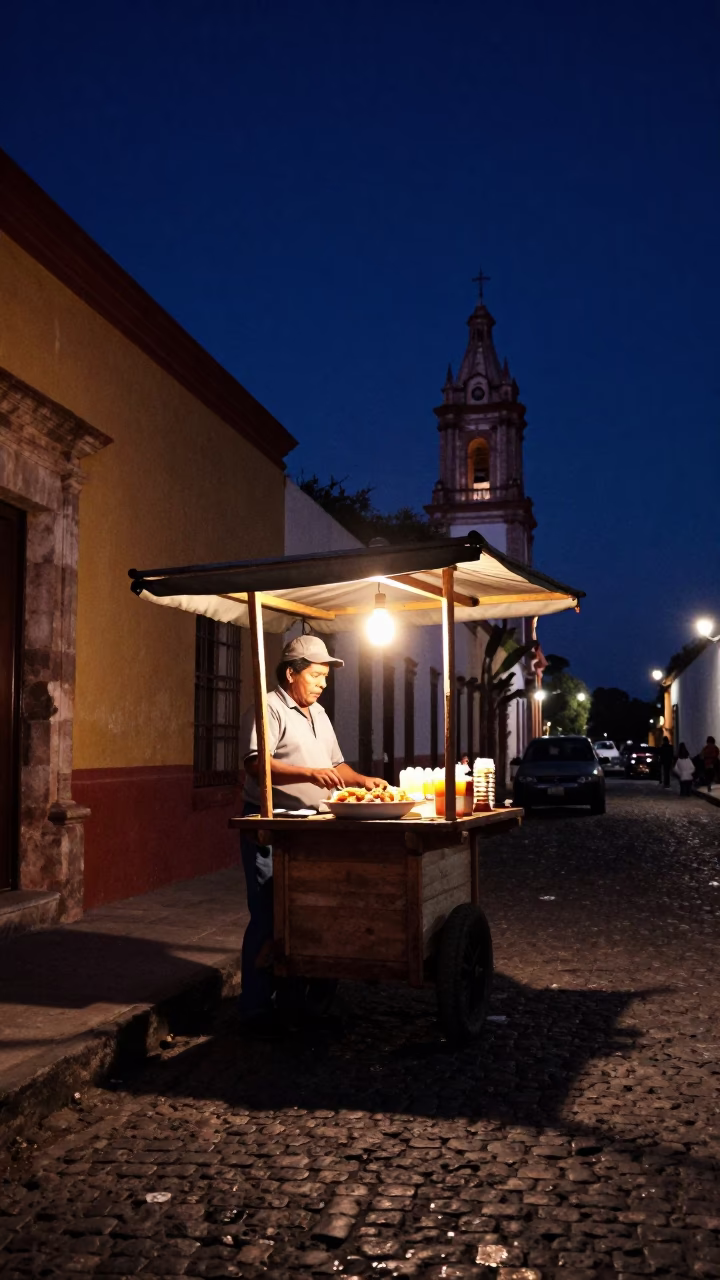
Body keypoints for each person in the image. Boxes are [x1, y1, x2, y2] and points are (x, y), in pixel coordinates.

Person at [238, 634, 387, 1029]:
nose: (323, 683)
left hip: (312, 828)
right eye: (316, 675)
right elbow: (256, 764)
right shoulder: (268, 707)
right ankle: (254, 1007)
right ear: (291, 673)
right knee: (269, 914)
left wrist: (365, 780)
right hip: (270, 828)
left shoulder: (318, 713)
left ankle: (297, 997)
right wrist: (308, 774)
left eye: (326, 677)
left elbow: (337, 767)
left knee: (311, 912)